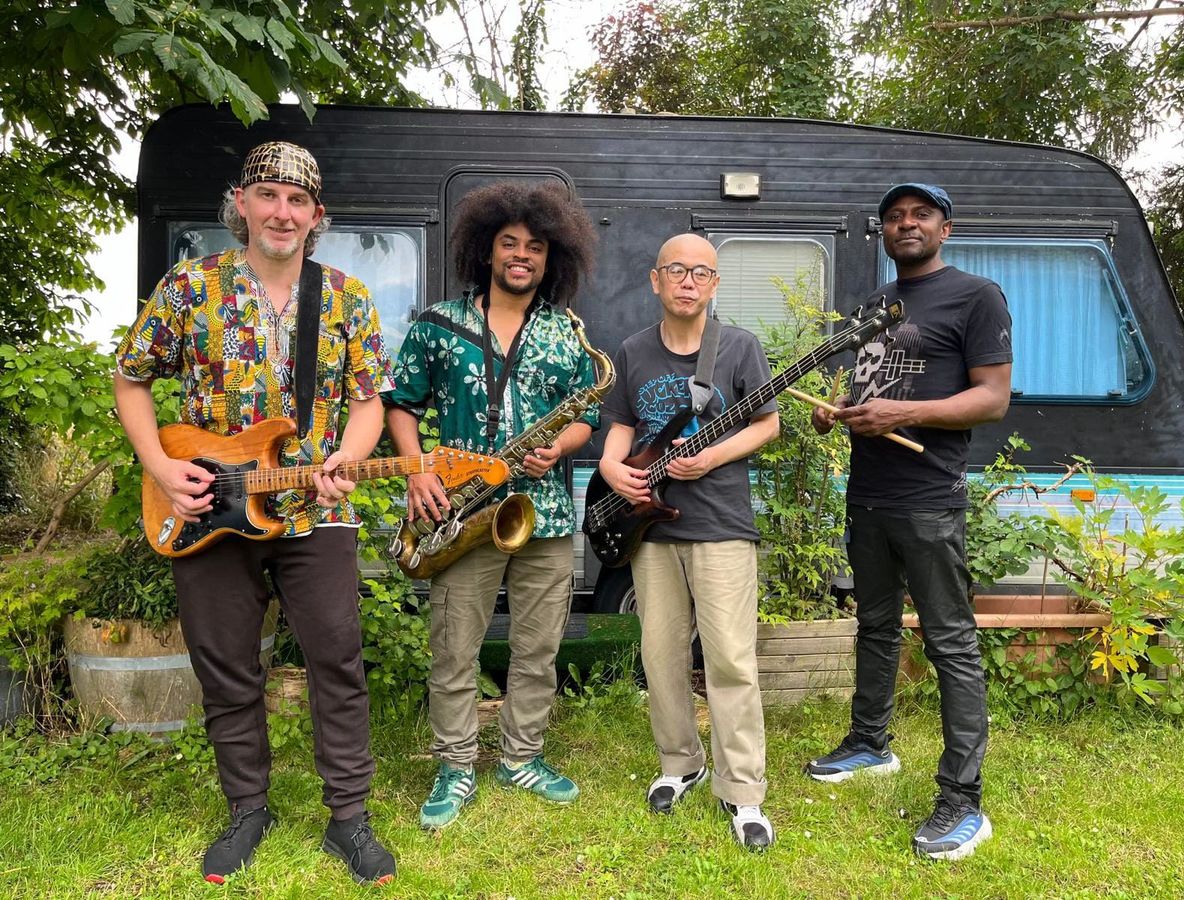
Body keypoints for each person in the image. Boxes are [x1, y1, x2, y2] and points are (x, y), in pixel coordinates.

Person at [113, 142, 397, 885]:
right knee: (226, 669)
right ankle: (248, 809)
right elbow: (131, 380)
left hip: (316, 515)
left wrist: (347, 455)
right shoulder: (189, 288)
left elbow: (369, 406)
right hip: (209, 507)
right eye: (268, 194)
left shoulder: (346, 298)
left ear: (316, 216)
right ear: (240, 202)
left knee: (336, 661)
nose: (282, 211)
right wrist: (161, 467)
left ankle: (349, 820)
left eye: (297, 200)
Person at [382, 180, 600, 830]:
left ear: (551, 257)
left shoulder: (568, 333)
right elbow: (400, 403)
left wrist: (558, 447)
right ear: (486, 250)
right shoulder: (438, 324)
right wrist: (418, 467)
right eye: (510, 243)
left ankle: (521, 757)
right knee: (455, 648)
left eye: (535, 246)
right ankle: (454, 766)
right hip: (460, 514)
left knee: (537, 648)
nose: (522, 256)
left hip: (546, 515)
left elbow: (587, 415)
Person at [807, 183, 1012, 860]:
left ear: (945, 228)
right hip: (868, 494)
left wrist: (905, 416)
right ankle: (870, 744)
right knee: (873, 625)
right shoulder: (877, 305)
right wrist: (838, 407)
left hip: (930, 499)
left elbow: (992, 398)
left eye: (919, 215)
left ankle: (964, 799)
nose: (905, 224)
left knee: (950, 642)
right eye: (894, 217)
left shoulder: (977, 297)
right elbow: (873, 386)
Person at [597, 233, 781, 850]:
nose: (687, 281)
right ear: (655, 280)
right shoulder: (632, 351)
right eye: (675, 269)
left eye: (701, 272)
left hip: (722, 524)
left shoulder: (739, 348)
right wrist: (609, 470)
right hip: (650, 528)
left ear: (714, 285)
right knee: (661, 655)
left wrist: (710, 459)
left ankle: (743, 791)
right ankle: (681, 763)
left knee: (730, 658)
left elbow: (768, 423)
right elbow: (620, 429)